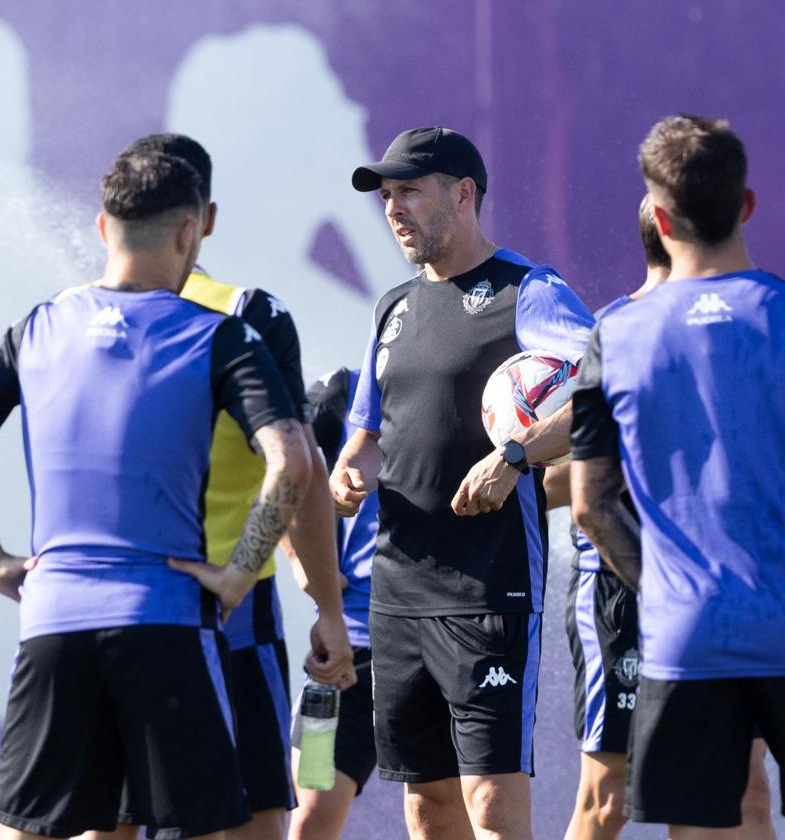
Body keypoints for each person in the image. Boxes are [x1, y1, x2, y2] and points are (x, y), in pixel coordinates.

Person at [0, 149, 312, 840]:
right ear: (192, 231)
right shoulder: (219, 335)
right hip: (166, 621)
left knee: (29, 830)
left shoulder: (37, 327)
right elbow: (294, 460)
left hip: (53, 619)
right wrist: (240, 573)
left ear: (102, 227)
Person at [82, 132, 353, 840]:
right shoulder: (246, 316)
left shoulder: (69, 320)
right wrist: (327, 606)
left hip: (114, 605)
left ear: (110, 218)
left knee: (128, 813)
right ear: (201, 218)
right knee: (270, 810)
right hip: (233, 607)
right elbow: (304, 472)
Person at [331, 126, 594, 840]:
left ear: (464, 194)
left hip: (489, 588)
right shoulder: (392, 308)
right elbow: (368, 435)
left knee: (490, 804)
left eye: (409, 191)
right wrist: (349, 469)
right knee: (427, 806)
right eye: (387, 196)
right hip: (398, 593)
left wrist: (517, 454)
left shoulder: (529, 292)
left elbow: (611, 390)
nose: (393, 210)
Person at [572, 114, 785, 839]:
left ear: (659, 219)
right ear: (747, 204)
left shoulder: (617, 334)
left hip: (685, 635)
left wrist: (662, 588)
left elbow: (591, 506)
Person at [284, 366, 377, 840]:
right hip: (348, 656)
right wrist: (303, 567)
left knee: (446, 813)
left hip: (441, 646)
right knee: (310, 820)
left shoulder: (488, 395)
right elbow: (278, 471)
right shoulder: (342, 391)